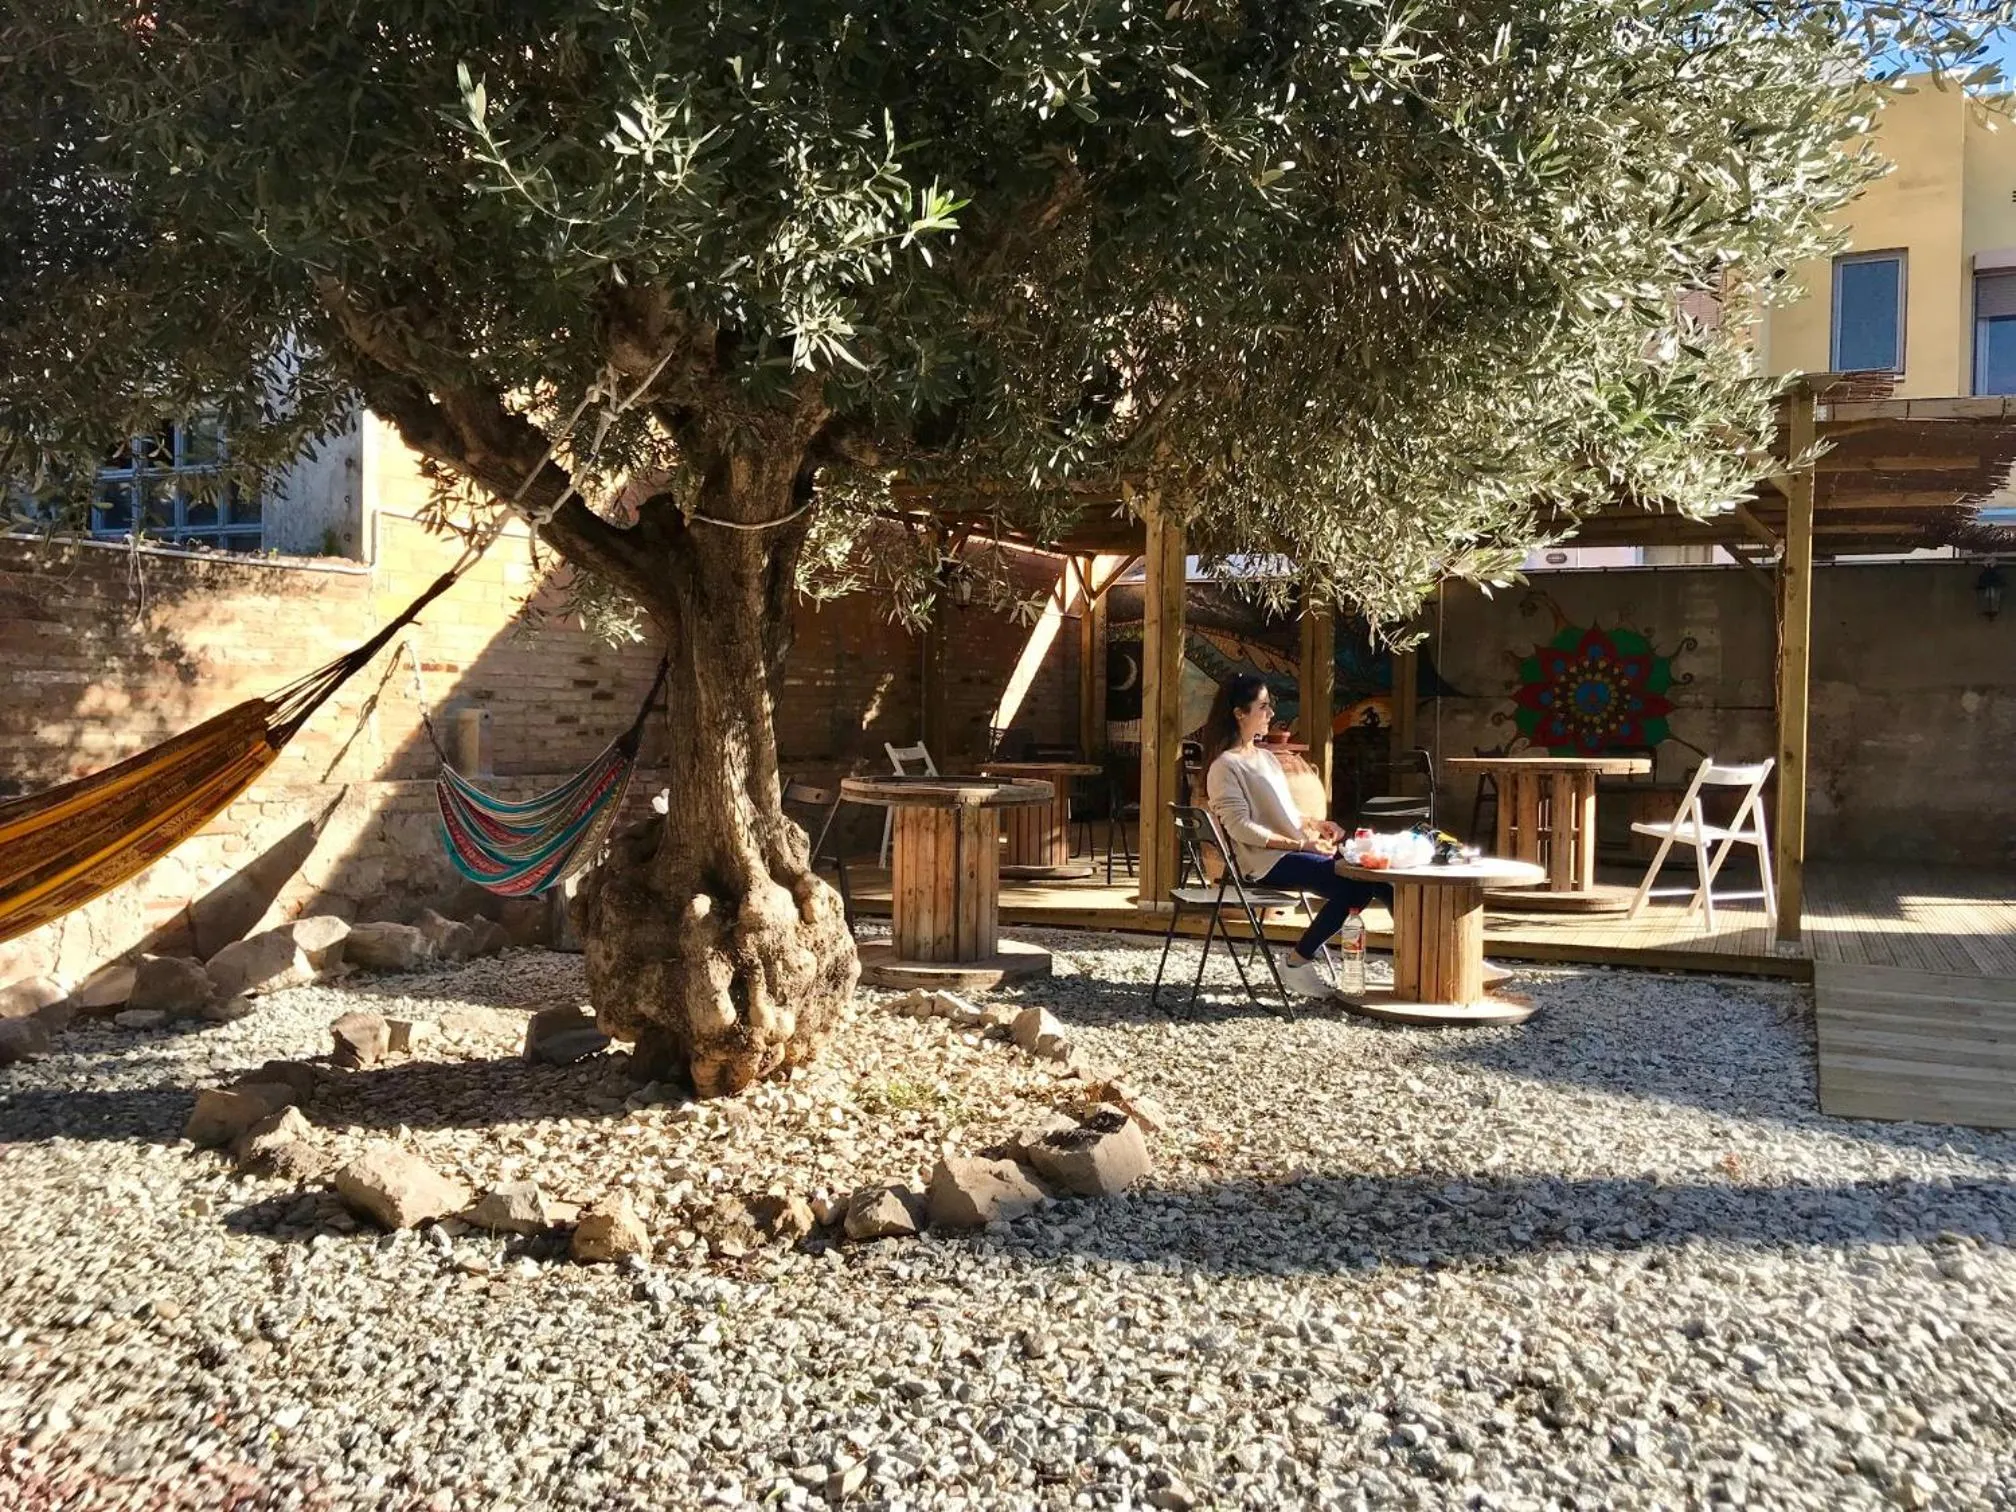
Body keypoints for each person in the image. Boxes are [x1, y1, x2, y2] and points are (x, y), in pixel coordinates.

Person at [1200, 673, 1392, 997]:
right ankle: (1296, 963)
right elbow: (1241, 827)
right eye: (1263, 706)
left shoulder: (1264, 757)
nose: (1271, 713)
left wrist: (1316, 824)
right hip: (1263, 863)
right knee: (1356, 888)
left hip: (1291, 852)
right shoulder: (1225, 767)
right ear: (1239, 713)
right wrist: (1300, 844)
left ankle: (1438, 948)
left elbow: (1284, 813)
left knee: (1378, 877)